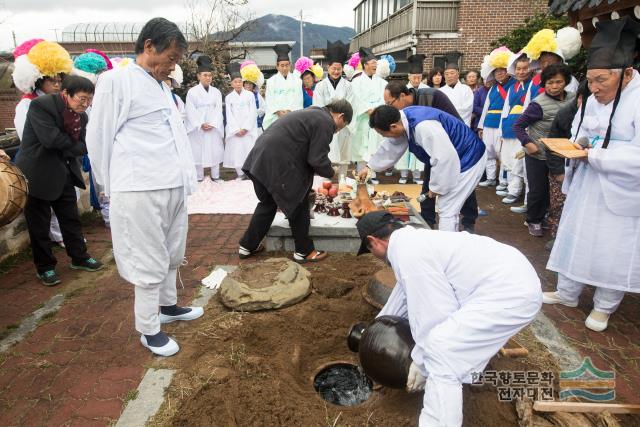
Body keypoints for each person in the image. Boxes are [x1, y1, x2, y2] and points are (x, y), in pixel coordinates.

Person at [355, 210, 542, 426]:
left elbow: (436, 315)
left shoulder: (407, 252)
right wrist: (373, 332)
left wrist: (421, 362)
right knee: (446, 345)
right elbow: (404, 297)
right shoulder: (412, 242)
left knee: (441, 350)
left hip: (509, 292)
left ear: (373, 241)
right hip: (510, 280)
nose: (376, 257)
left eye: (370, 251)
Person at [87, 18, 202, 357]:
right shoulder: (116, 80)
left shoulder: (162, 86)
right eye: (171, 56)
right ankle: (149, 328)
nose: (174, 63)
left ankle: (168, 306)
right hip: (140, 187)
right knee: (148, 259)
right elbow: (98, 137)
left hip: (172, 185)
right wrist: (107, 185)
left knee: (171, 252)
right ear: (149, 46)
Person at [544, 17, 640, 332]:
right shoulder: (595, 97)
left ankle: (604, 306)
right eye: (591, 80)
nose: (594, 88)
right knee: (575, 235)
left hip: (619, 189)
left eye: (602, 80)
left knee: (611, 247)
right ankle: (567, 292)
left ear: (626, 74)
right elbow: (582, 130)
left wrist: (594, 154)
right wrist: (579, 144)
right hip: (587, 181)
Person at [238, 100, 352, 263]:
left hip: (259, 159)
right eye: (341, 126)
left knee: (268, 203)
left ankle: (247, 246)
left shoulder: (311, 113)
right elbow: (317, 159)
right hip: (278, 162)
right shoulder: (325, 122)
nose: (337, 131)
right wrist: (332, 173)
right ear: (340, 116)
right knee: (298, 201)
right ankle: (304, 251)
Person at [16, 75, 103, 286]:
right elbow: (51, 139)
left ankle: (79, 257)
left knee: (70, 218)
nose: (86, 104)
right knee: (39, 224)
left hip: (64, 171)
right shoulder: (41, 106)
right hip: (37, 172)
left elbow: (86, 141)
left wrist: (80, 147)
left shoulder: (81, 117)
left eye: (89, 99)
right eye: (82, 99)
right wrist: (79, 147)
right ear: (66, 94)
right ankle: (45, 268)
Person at [361, 105, 486, 232]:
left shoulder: (424, 127)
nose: (385, 137)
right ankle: (448, 243)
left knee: (447, 207)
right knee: (447, 206)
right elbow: (392, 146)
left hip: (470, 156)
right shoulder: (402, 119)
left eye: (384, 134)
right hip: (456, 156)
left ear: (393, 126)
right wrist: (370, 166)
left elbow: (444, 158)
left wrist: (436, 187)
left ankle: (447, 248)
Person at [383, 81, 480, 232]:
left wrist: (439, 184)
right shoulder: (403, 115)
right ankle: (427, 222)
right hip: (434, 152)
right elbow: (395, 142)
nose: (390, 108)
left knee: (458, 193)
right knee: (429, 187)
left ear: (402, 96)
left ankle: (468, 222)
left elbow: (449, 134)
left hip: (457, 150)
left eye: (390, 103)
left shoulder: (432, 98)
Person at [12, 39, 73, 247]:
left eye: (60, 79)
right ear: (39, 80)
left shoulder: (59, 102)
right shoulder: (27, 105)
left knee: (65, 210)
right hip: (38, 166)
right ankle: (47, 255)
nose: (58, 84)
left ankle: (72, 246)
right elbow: (29, 139)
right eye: (52, 80)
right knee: (41, 216)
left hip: (58, 163)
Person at [513, 63, 574, 237]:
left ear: (566, 82)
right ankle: (533, 219)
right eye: (550, 83)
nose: (554, 86)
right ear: (544, 84)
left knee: (556, 189)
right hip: (538, 154)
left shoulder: (573, 98)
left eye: (558, 82)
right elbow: (518, 126)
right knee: (538, 189)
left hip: (561, 153)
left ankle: (549, 217)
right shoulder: (538, 104)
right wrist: (528, 143)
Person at [545, 81, 591, 245]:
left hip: (587, 171)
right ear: (579, 98)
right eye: (583, 99)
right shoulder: (566, 114)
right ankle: (557, 238)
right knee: (559, 206)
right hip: (561, 168)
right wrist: (559, 172)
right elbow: (552, 145)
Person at [313, 40, 353, 178]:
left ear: (342, 69)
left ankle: (342, 181)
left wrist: (343, 120)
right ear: (328, 67)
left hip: (342, 126)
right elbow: (318, 106)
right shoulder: (320, 86)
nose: (336, 71)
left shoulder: (348, 86)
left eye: (339, 69)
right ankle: (325, 182)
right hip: (326, 126)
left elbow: (351, 104)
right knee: (326, 155)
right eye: (333, 68)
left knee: (343, 157)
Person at [477, 47, 515, 188]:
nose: (499, 73)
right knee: (489, 152)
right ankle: (491, 178)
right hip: (488, 123)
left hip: (502, 123)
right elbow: (486, 108)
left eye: (502, 70)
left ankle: (504, 181)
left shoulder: (513, 85)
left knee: (503, 154)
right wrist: (481, 126)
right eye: (497, 71)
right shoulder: (493, 88)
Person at [350, 47, 387, 184]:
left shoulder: (383, 83)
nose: (375, 66)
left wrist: (377, 110)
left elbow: (385, 98)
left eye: (376, 64)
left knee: (375, 146)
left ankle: (373, 174)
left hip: (376, 118)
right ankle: (361, 174)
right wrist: (367, 109)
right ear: (365, 65)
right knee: (361, 147)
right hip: (363, 119)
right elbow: (355, 99)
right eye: (372, 63)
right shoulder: (355, 83)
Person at [499, 52, 532, 205]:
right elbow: (506, 109)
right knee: (509, 160)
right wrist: (501, 128)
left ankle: (515, 191)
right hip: (509, 126)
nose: (521, 72)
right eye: (518, 69)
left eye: (524, 68)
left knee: (519, 161)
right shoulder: (513, 87)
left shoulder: (533, 85)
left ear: (530, 69)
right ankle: (512, 188)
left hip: (523, 127)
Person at [185, 55, 224, 182]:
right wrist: (200, 124)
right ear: (198, 76)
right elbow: (190, 111)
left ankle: (216, 176)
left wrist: (213, 123)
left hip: (213, 127)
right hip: (199, 128)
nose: (208, 78)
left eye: (210, 75)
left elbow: (219, 110)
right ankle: (199, 177)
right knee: (198, 151)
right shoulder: (192, 92)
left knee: (214, 150)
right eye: (205, 75)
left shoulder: (216, 92)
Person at [394, 54, 427, 184]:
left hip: (421, 123)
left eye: (419, 77)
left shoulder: (427, 90)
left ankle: (417, 174)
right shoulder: (403, 90)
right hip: (406, 122)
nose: (416, 80)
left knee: (420, 147)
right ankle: (403, 174)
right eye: (414, 77)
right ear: (409, 77)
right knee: (405, 148)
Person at [223, 62, 257, 180]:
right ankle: (240, 173)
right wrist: (236, 129)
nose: (238, 84)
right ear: (231, 83)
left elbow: (253, 112)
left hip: (248, 129)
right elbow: (229, 115)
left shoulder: (250, 95)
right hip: (235, 130)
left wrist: (246, 128)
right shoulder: (228, 98)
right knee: (237, 151)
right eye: (235, 82)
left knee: (248, 149)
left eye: (240, 81)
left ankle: (250, 173)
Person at [263, 44, 303, 129]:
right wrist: (278, 111)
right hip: (275, 118)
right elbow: (269, 100)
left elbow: (298, 100)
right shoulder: (271, 82)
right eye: (282, 65)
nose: (284, 68)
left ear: (290, 65)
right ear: (277, 66)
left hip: (292, 117)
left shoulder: (297, 81)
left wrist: (289, 111)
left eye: (287, 65)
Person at [240, 62, 266, 134]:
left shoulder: (257, 95)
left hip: (256, 126)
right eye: (246, 83)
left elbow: (264, 108)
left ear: (253, 85)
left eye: (250, 83)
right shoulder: (241, 95)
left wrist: (256, 112)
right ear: (243, 84)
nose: (248, 85)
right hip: (243, 126)